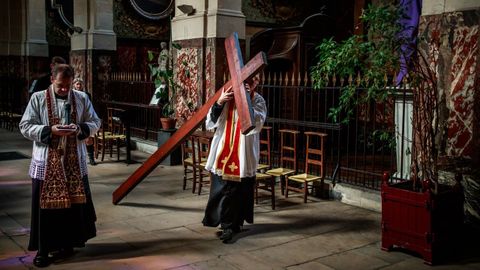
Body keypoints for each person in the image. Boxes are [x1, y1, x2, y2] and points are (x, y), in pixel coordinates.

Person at [19, 64, 101, 267]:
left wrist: (80, 128)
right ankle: (43, 249)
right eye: (60, 86)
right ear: (52, 81)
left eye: (68, 86)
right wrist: (50, 130)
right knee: (46, 209)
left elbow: (95, 121)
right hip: (47, 161)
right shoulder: (38, 98)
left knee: (72, 206)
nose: (65, 89)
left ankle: (67, 244)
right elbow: (25, 126)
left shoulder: (81, 98)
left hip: (73, 161)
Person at [202, 75, 267, 243]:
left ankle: (236, 223)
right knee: (224, 189)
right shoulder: (227, 94)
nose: (248, 84)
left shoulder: (257, 100)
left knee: (241, 190)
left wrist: (248, 98)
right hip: (224, 149)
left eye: (252, 81)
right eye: (246, 81)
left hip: (243, 153)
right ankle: (226, 225)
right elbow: (210, 122)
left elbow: (257, 123)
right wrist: (219, 102)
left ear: (256, 83)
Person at [72, 78, 97, 165]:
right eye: (77, 84)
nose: (79, 86)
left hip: (84, 118)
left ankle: (91, 158)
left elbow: (89, 107)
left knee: (88, 139)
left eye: (80, 84)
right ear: (74, 85)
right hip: (75, 118)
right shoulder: (71, 94)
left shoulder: (86, 95)